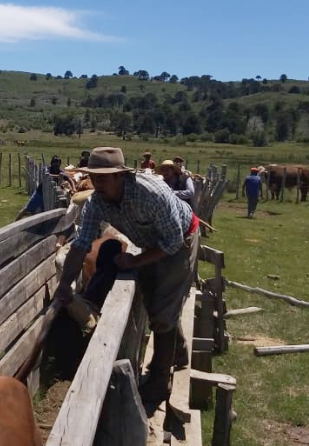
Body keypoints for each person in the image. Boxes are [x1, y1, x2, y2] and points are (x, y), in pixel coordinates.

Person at [52, 147, 200, 415]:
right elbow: (81, 244)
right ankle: (177, 352)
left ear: (121, 175)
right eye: (94, 178)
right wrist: (64, 284)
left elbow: (173, 241)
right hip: (152, 241)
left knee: (163, 311)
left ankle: (158, 382)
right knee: (155, 299)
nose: (98, 184)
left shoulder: (150, 194)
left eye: (104, 178)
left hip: (180, 242)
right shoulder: (97, 201)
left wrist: (134, 262)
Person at [15, 155, 75, 221]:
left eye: (58, 163)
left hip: (52, 196)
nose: (56, 165)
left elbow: (70, 180)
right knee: (27, 209)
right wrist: (58, 176)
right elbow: (47, 174)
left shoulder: (61, 172)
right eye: (55, 163)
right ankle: (15, 222)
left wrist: (73, 188)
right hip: (40, 193)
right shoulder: (47, 168)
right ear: (52, 163)